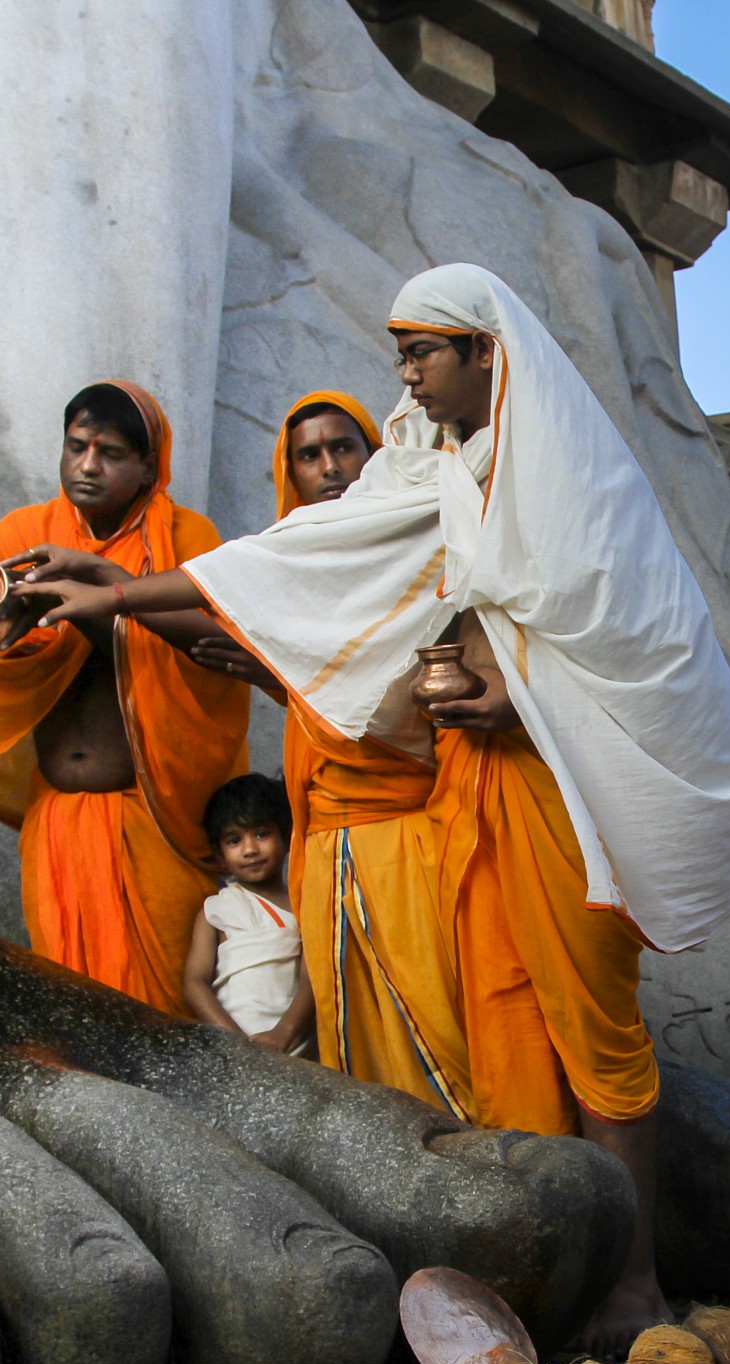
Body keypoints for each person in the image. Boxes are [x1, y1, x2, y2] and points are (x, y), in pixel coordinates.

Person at [13, 266, 730, 1355]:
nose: (405, 372)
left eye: (424, 350)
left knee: (592, 1031)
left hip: (561, 790)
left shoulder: (566, 475)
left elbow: (634, 636)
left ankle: (635, 1283)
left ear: (486, 353)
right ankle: (527, 1272)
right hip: (469, 796)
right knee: (500, 1022)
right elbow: (289, 562)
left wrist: (517, 691)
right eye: (400, 350)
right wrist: (118, 589)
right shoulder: (433, 472)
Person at [0, 381, 249, 1014]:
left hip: (152, 822)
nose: (87, 465)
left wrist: (101, 598)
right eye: (76, 447)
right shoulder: (26, 534)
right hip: (55, 825)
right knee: (70, 1019)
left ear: (148, 470)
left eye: (109, 454)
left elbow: (219, 657)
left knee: (162, 1022)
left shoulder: (187, 537)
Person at [188, 391, 460, 1092]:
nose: (330, 466)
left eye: (345, 447)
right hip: (326, 838)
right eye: (309, 454)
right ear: (291, 472)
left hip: (403, 836)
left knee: (436, 1018)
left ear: (376, 459)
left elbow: (389, 701)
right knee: (355, 1040)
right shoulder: (276, 578)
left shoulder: (416, 551)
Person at [183, 773, 314, 1055]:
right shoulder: (215, 911)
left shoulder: (306, 906)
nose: (250, 849)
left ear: (287, 837)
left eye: (262, 834)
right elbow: (194, 983)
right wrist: (238, 1044)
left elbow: (312, 981)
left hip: (295, 1045)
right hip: (235, 1048)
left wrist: (282, 1035)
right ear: (219, 856)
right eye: (234, 840)